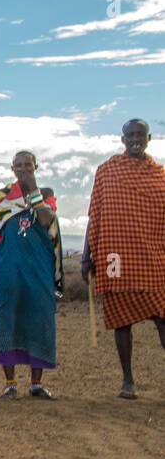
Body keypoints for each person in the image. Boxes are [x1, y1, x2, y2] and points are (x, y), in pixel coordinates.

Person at [82, 118, 165, 398]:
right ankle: (128, 381)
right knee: (121, 321)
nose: (135, 139)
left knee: (163, 316)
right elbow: (95, 215)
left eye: (140, 134)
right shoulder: (107, 171)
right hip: (115, 257)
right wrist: (86, 257)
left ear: (149, 138)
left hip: (153, 258)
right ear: (122, 139)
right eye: (130, 134)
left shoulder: (160, 175)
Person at [0, 150, 61, 399]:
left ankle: (36, 384)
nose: (23, 169)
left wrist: (32, 188)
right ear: (12, 169)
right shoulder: (3, 196)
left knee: (40, 320)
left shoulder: (45, 193)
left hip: (40, 269)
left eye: (28, 165)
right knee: (7, 321)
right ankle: (10, 384)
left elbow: (45, 219)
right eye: (19, 165)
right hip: (10, 268)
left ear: (36, 167)